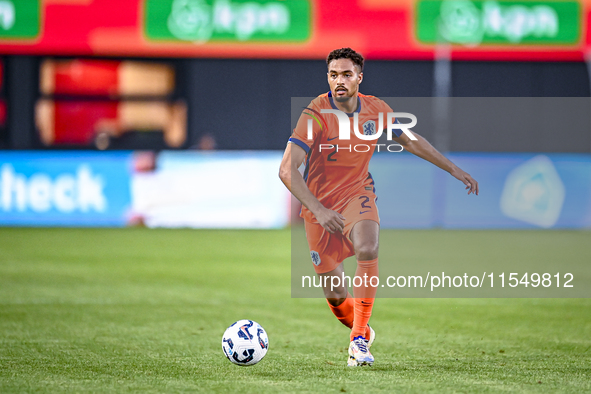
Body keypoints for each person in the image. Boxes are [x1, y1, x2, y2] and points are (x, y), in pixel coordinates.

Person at [278, 47, 478, 367]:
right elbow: (287, 170)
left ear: (359, 77)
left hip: (358, 193)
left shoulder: (376, 109)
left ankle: (358, 341)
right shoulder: (314, 115)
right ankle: (362, 329)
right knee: (336, 297)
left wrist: (453, 169)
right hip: (319, 208)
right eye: (333, 75)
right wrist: (318, 210)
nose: (339, 81)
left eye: (346, 74)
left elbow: (410, 140)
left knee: (368, 247)